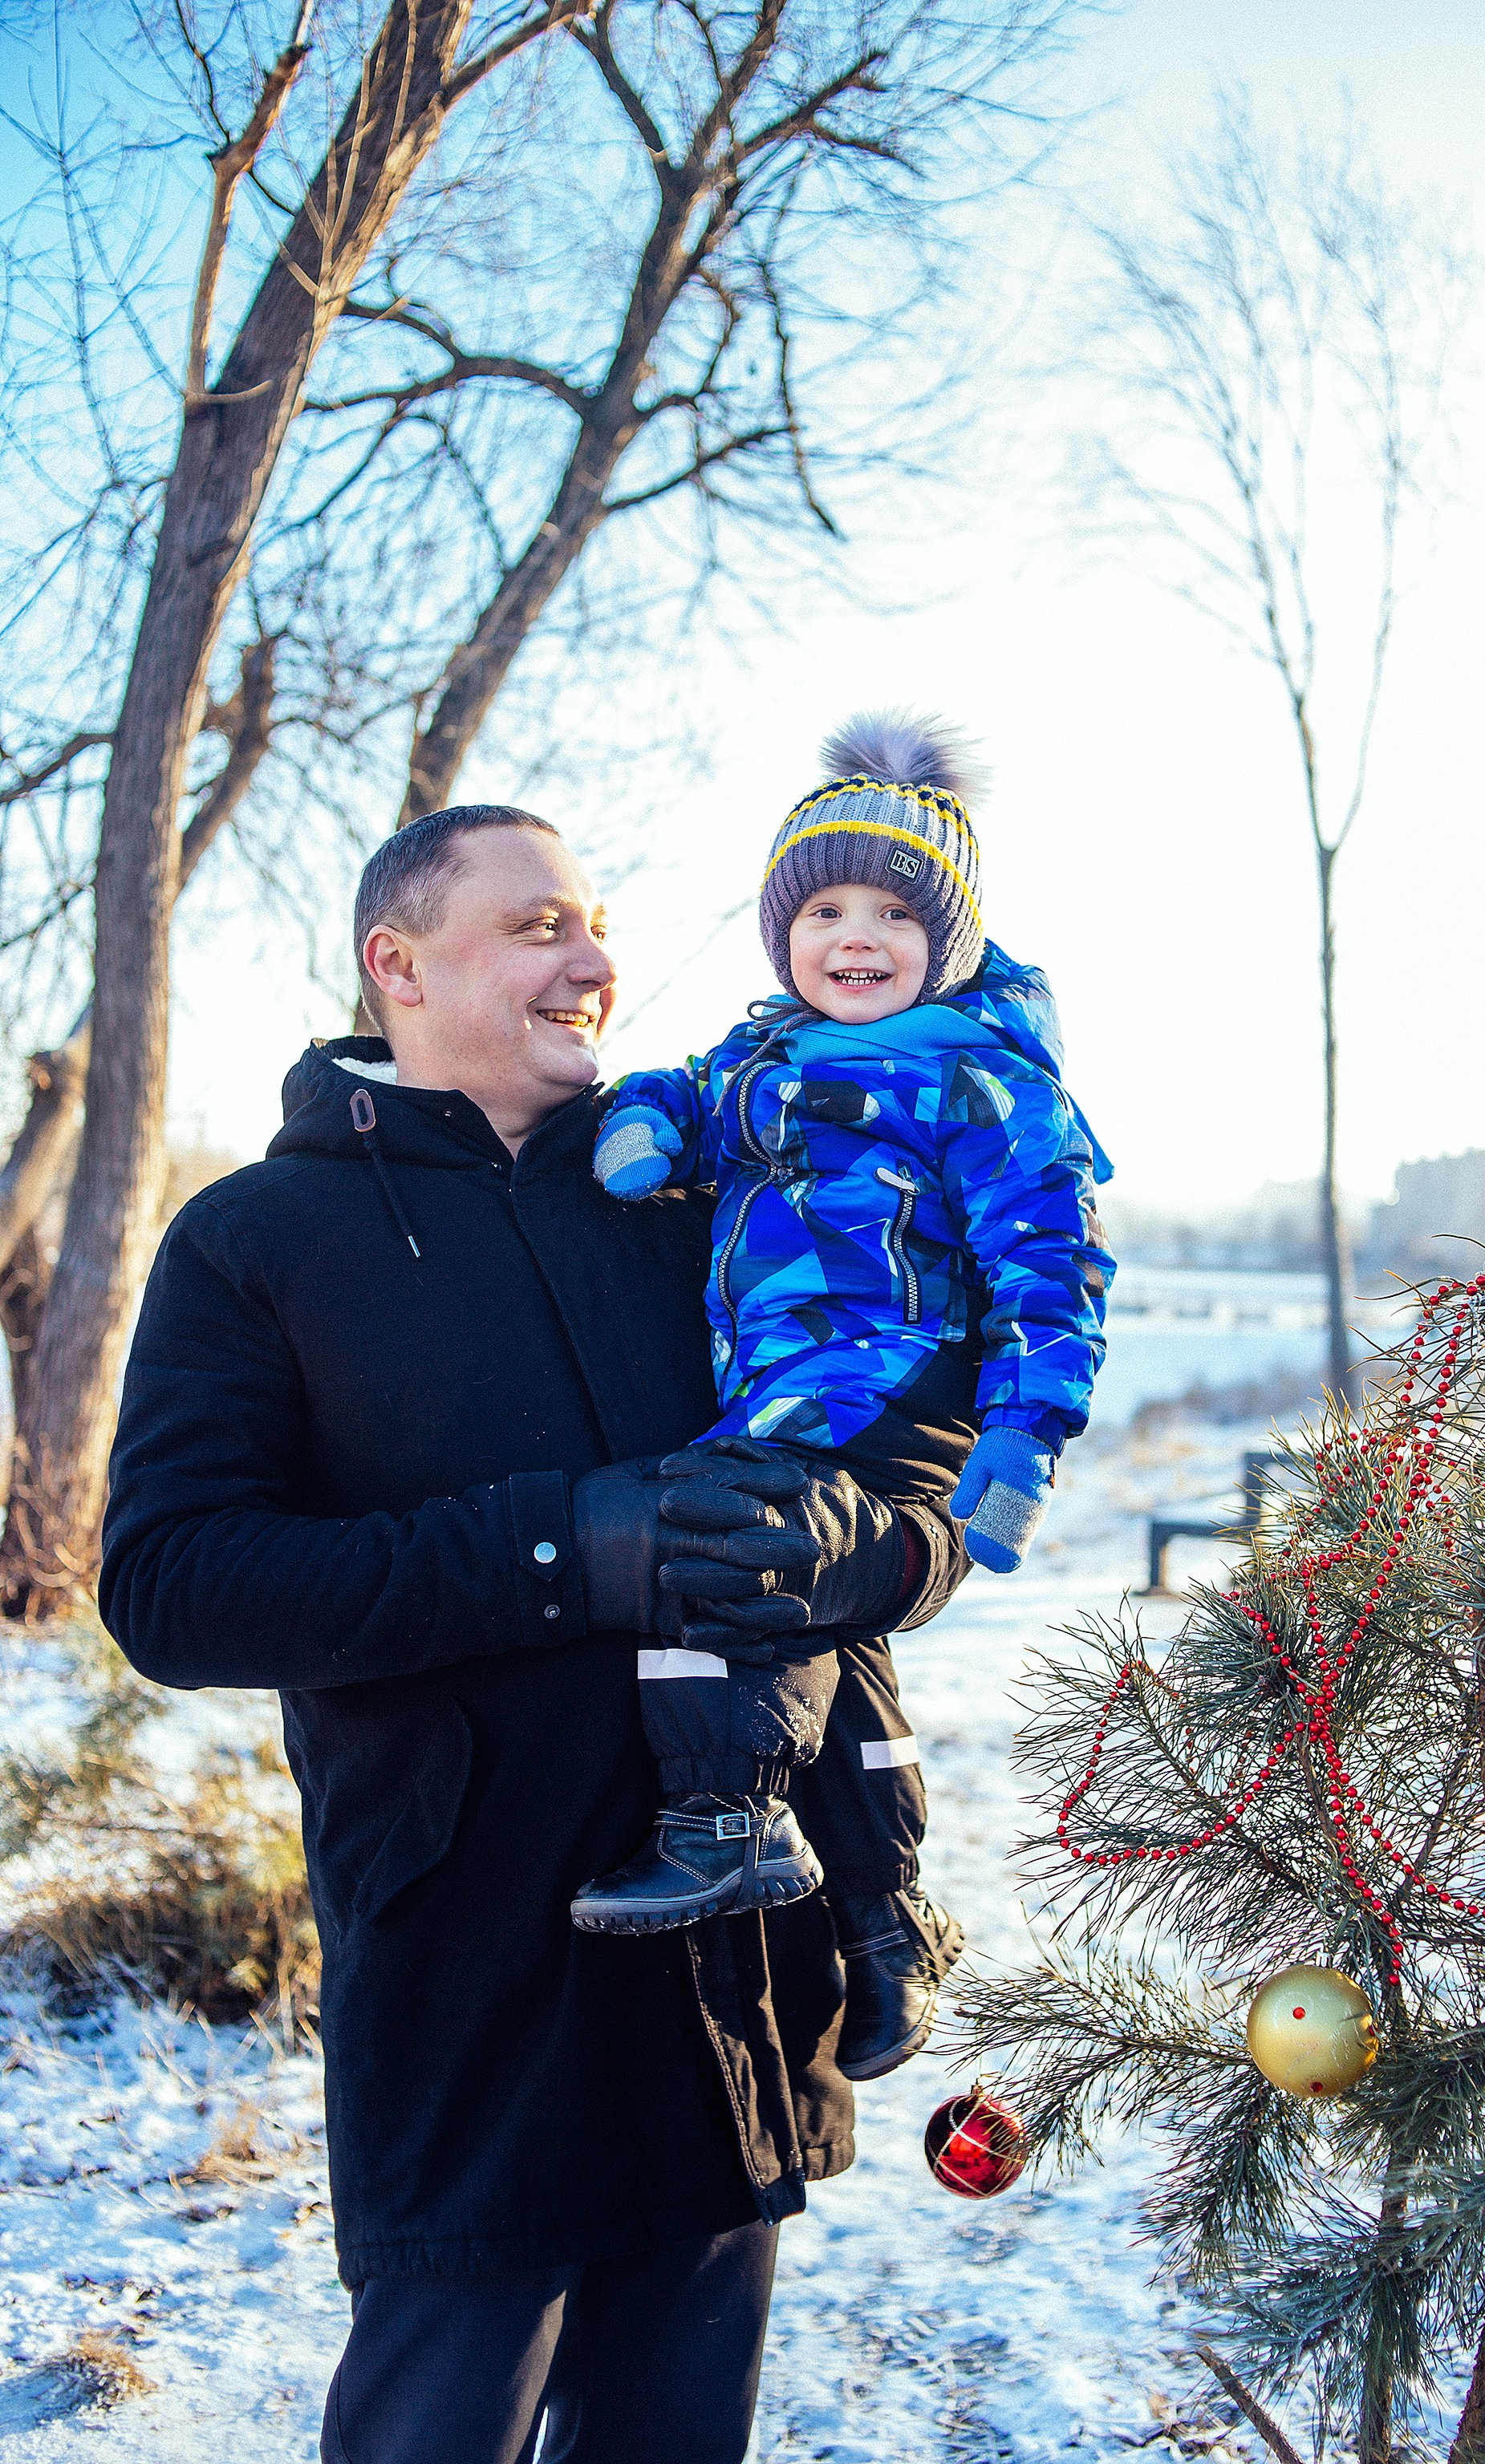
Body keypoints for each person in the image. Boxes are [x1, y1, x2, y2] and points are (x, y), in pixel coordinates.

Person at [98, 804, 968, 2464]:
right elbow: (173, 1585)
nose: (595, 963)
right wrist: (570, 1550)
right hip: (467, 1961)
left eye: (596, 926)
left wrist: (874, 1542)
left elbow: (912, 1465)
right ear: (399, 964)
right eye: (540, 926)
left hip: (731, 1960)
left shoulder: (703, 1201)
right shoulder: (255, 1245)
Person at [575, 714, 1114, 2085]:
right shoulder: (760, 1055)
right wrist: (648, 1120)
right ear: (783, 934)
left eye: (893, 910)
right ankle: (886, 1922)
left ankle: (723, 1815)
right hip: (784, 1392)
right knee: (846, 1645)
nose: (855, 934)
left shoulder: (981, 1076)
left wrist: (1022, 1436)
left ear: (954, 940)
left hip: (888, 1393)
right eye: (823, 907)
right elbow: (688, 1098)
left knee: (736, 1562)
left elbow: (1055, 1261)